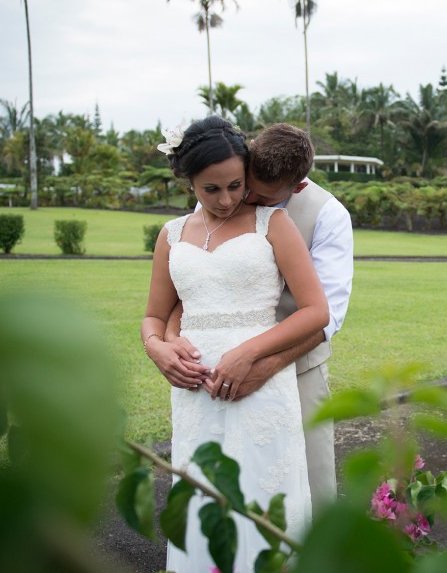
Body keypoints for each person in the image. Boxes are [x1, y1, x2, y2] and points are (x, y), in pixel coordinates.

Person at [141, 116, 329, 572]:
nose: (226, 200)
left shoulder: (273, 222)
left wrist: (249, 351)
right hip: (193, 396)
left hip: (261, 389)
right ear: (189, 182)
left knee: (263, 493)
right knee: (203, 496)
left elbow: (316, 312)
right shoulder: (171, 236)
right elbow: (154, 315)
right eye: (211, 189)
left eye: (235, 185)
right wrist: (158, 348)